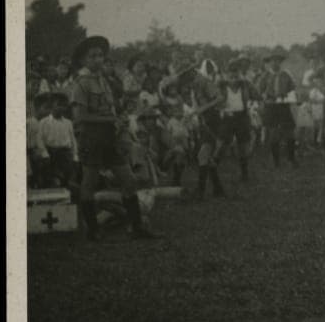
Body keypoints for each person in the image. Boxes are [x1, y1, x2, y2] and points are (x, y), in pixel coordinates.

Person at [68, 36, 160, 241]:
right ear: (83, 60)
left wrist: (119, 117)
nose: (98, 60)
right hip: (91, 139)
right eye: (92, 56)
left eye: (101, 55)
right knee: (89, 184)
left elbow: (111, 106)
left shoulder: (104, 80)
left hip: (111, 138)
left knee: (128, 180)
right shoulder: (80, 84)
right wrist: (110, 118)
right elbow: (80, 117)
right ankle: (93, 230)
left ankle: (136, 227)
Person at [162, 56, 227, 199]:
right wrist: (193, 114)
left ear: (191, 72)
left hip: (215, 120)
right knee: (204, 156)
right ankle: (216, 189)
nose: (182, 79)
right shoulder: (193, 85)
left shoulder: (203, 81)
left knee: (204, 155)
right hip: (205, 120)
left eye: (184, 75)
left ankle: (204, 190)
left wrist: (201, 110)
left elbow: (220, 98)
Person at [219, 58, 255, 182]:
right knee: (223, 144)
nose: (233, 74)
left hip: (241, 117)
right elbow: (216, 100)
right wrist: (222, 109)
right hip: (228, 118)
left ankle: (244, 173)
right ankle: (215, 170)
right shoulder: (222, 85)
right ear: (227, 72)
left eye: (236, 71)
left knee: (243, 146)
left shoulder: (245, 84)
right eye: (231, 71)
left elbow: (256, 94)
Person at [260, 52, 298, 168]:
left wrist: (289, 97)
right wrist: (265, 97)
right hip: (271, 106)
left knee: (290, 132)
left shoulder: (286, 75)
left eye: (278, 61)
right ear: (270, 62)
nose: (275, 63)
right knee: (273, 134)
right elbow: (260, 91)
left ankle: (291, 158)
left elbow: (293, 89)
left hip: (283, 105)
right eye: (273, 61)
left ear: (280, 62)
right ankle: (276, 161)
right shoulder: (265, 76)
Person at [40, 92, 79, 189]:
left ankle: (67, 191)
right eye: (58, 105)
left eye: (63, 106)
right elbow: (40, 140)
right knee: (51, 178)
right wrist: (45, 153)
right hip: (51, 153)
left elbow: (73, 140)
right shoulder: (44, 122)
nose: (61, 108)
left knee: (68, 177)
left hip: (65, 153)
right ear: (52, 105)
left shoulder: (68, 123)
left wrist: (75, 156)